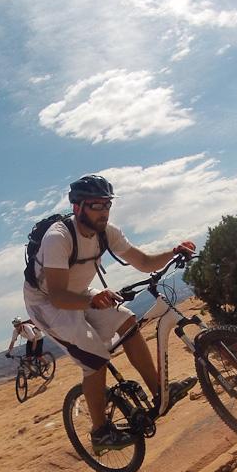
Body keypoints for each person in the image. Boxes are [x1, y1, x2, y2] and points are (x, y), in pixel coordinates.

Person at [24, 174, 196, 452]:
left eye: (107, 205)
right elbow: (57, 295)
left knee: (127, 320)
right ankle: (100, 431)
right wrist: (93, 301)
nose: (104, 212)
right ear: (78, 207)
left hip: (79, 293)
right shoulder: (58, 238)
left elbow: (142, 261)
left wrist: (173, 252)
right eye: (96, 205)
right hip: (47, 304)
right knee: (96, 358)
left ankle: (160, 392)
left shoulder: (107, 232)